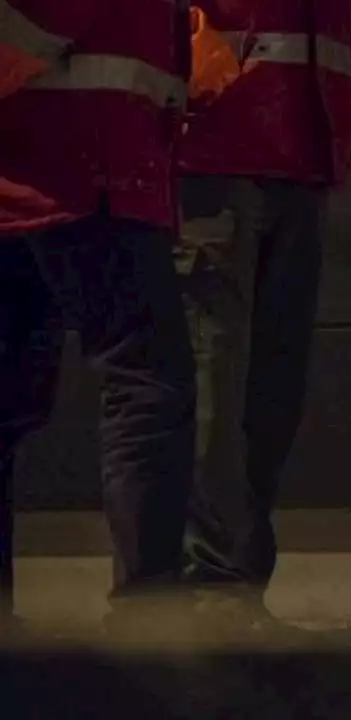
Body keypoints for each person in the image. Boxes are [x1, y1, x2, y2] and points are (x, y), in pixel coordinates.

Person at [177, 1, 351, 632]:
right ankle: (211, 590)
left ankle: (236, 588)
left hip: (300, 157)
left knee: (269, 390)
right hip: (213, 157)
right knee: (214, 381)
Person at [0, 1, 196, 630]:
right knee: (149, 383)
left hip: (42, 178)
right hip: (88, 176)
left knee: (8, 403)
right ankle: (150, 611)